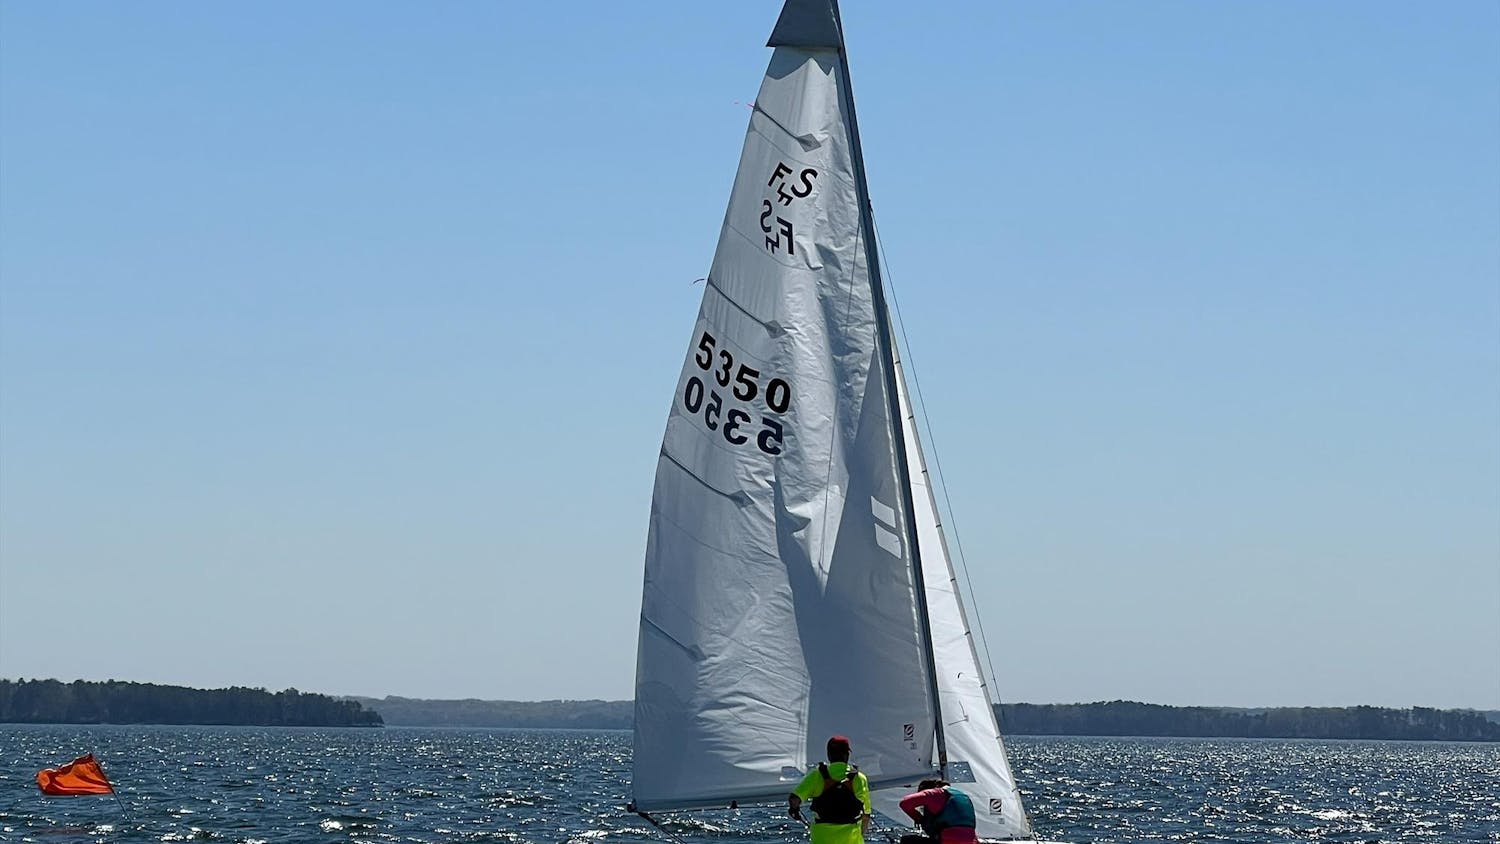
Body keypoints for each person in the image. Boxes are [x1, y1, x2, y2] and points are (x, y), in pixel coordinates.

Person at [788, 735, 872, 844]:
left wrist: (794, 811)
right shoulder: (859, 778)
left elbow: (794, 799)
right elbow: (866, 815)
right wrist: (860, 834)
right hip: (851, 838)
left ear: (829, 755)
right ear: (847, 754)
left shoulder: (817, 775)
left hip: (821, 838)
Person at [897, 778, 978, 844]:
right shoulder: (963, 796)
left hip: (947, 840)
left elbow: (904, 803)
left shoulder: (935, 793)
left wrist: (918, 818)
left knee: (907, 840)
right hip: (972, 841)